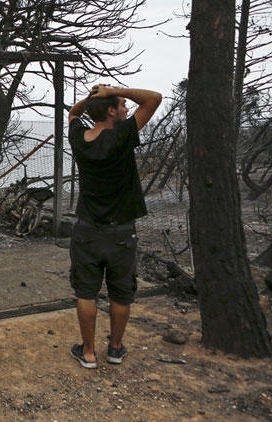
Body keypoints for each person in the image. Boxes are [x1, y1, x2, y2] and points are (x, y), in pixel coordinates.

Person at [67, 84, 162, 369]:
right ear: (110, 111)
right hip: (121, 231)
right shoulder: (122, 135)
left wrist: (92, 98)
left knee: (86, 292)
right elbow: (154, 98)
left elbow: (73, 113)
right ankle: (115, 349)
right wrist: (112, 89)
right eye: (121, 105)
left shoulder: (79, 138)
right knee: (121, 293)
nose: (127, 109)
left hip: (86, 230)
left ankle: (88, 353)